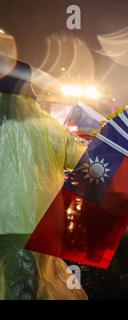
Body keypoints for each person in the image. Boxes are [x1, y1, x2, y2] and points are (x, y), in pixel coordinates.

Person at [0, 58, 87, 299]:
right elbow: (84, 161)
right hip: (36, 226)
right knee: (31, 286)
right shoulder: (46, 125)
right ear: (25, 84)